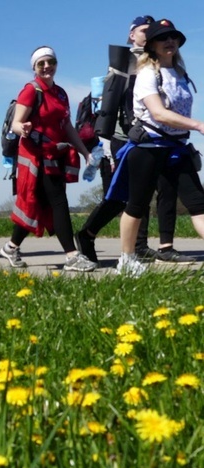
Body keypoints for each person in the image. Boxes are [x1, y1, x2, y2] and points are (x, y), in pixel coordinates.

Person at [77, 15, 186, 265]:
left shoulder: (161, 61)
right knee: (120, 198)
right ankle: (87, 234)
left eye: (152, 31)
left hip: (154, 138)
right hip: (122, 139)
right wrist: (106, 147)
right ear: (131, 35)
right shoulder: (123, 63)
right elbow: (108, 108)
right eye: (143, 30)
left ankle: (142, 246)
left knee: (150, 192)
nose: (148, 34)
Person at [112, 19, 204, 276]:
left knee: (198, 203)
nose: (170, 41)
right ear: (151, 45)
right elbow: (158, 113)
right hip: (148, 147)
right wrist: (197, 125)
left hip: (176, 148)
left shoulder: (181, 75)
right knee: (137, 204)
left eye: (173, 37)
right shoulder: (146, 75)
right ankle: (127, 259)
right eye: (163, 38)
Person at [0, 47, 96, 272]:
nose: (46, 67)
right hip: (35, 156)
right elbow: (16, 122)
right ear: (34, 67)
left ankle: (11, 247)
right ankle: (72, 256)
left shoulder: (61, 93)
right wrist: (21, 128)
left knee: (40, 204)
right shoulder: (31, 90)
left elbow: (67, 126)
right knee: (58, 201)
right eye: (41, 63)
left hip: (55, 155)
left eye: (50, 62)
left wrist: (84, 151)